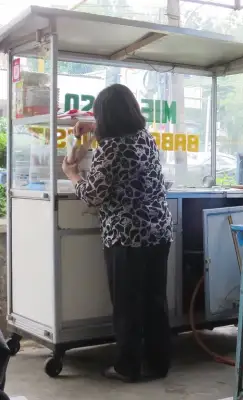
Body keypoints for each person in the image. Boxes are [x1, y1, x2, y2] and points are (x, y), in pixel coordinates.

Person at [62, 84, 173, 383]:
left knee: (127, 305)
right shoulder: (144, 138)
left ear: (106, 117)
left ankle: (127, 367)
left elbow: (92, 195)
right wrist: (92, 127)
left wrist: (73, 176)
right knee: (154, 300)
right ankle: (158, 363)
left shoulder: (111, 148)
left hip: (127, 236)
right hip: (158, 231)